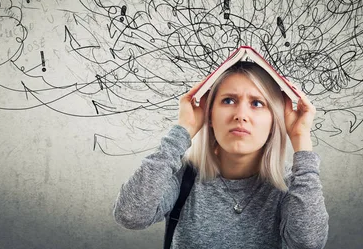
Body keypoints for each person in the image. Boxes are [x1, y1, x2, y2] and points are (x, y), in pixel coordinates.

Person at [113, 61, 329, 248]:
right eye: (228, 100)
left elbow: (308, 243)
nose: (241, 115)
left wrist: (301, 139)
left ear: (274, 121)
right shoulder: (184, 178)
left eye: (257, 103)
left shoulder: (293, 187)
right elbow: (131, 215)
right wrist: (182, 132)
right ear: (209, 115)